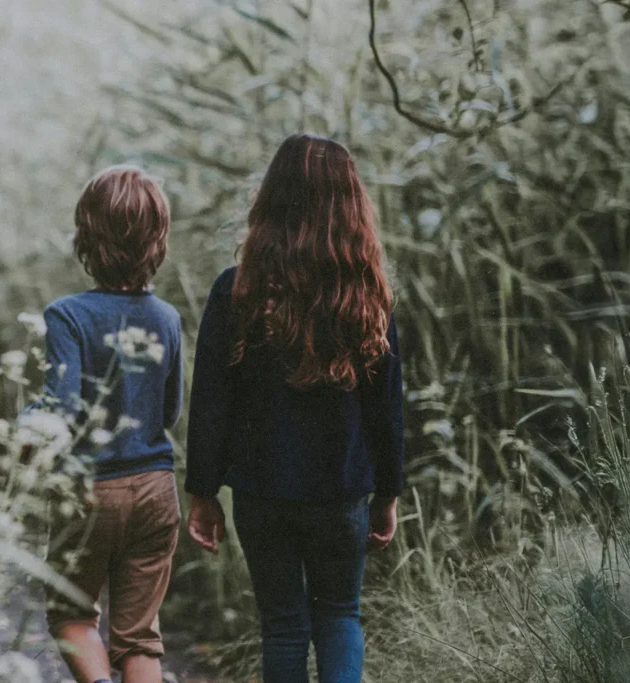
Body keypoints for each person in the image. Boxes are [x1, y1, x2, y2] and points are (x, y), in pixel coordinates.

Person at [184, 134, 404, 683]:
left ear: (270, 202)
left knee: (282, 626)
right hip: (341, 491)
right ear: (351, 207)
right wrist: (389, 493)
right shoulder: (367, 295)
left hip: (262, 493)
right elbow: (387, 406)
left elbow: (210, 400)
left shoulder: (236, 292)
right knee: (339, 616)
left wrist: (202, 491)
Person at [39, 165, 183, 683]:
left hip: (89, 489)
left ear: (86, 235)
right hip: (155, 487)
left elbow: (61, 411)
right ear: (157, 240)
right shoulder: (167, 318)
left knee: (72, 614)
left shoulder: (67, 316)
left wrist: (24, 420)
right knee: (139, 636)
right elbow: (170, 411)